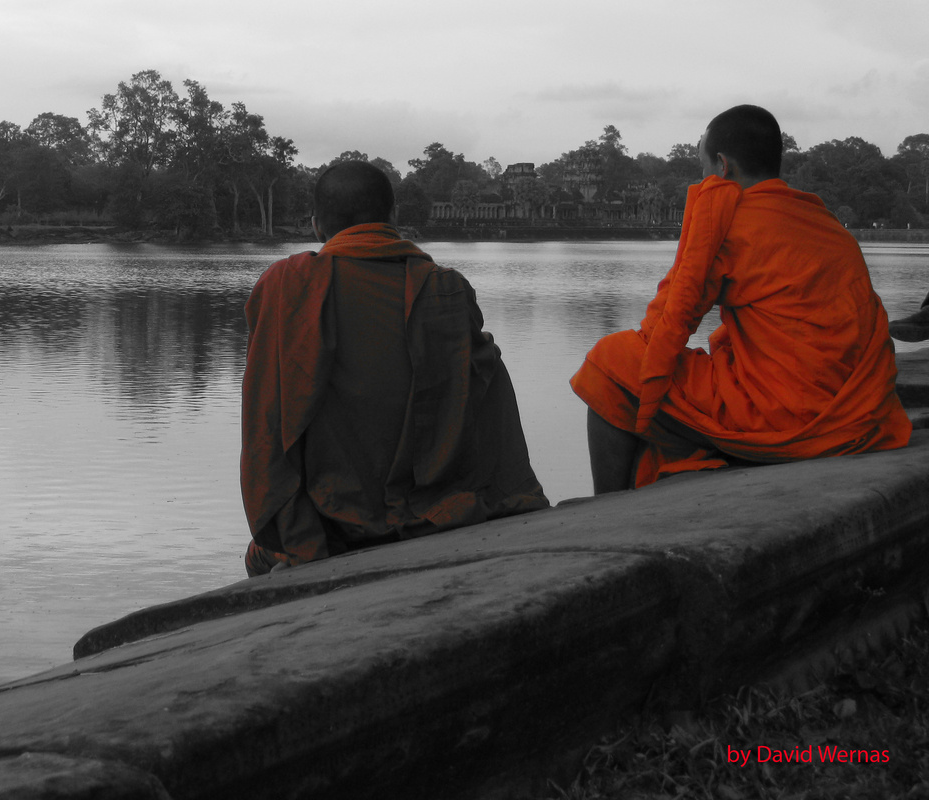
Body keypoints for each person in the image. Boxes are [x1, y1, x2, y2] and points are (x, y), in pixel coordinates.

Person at [571, 105, 910, 493]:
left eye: (702, 168)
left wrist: (646, 366)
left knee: (609, 364)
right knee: (711, 360)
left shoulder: (727, 219)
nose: (702, 179)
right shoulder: (824, 221)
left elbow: (668, 320)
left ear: (722, 165)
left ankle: (608, 509)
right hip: (857, 411)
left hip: (782, 414)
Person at [240, 160, 548, 576]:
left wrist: (296, 540)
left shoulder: (287, 287)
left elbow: (266, 423)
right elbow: (486, 406)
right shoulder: (446, 288)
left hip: (331, 527)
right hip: (437, 513)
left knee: (259, 557)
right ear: (394, 218)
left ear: (316, 226)